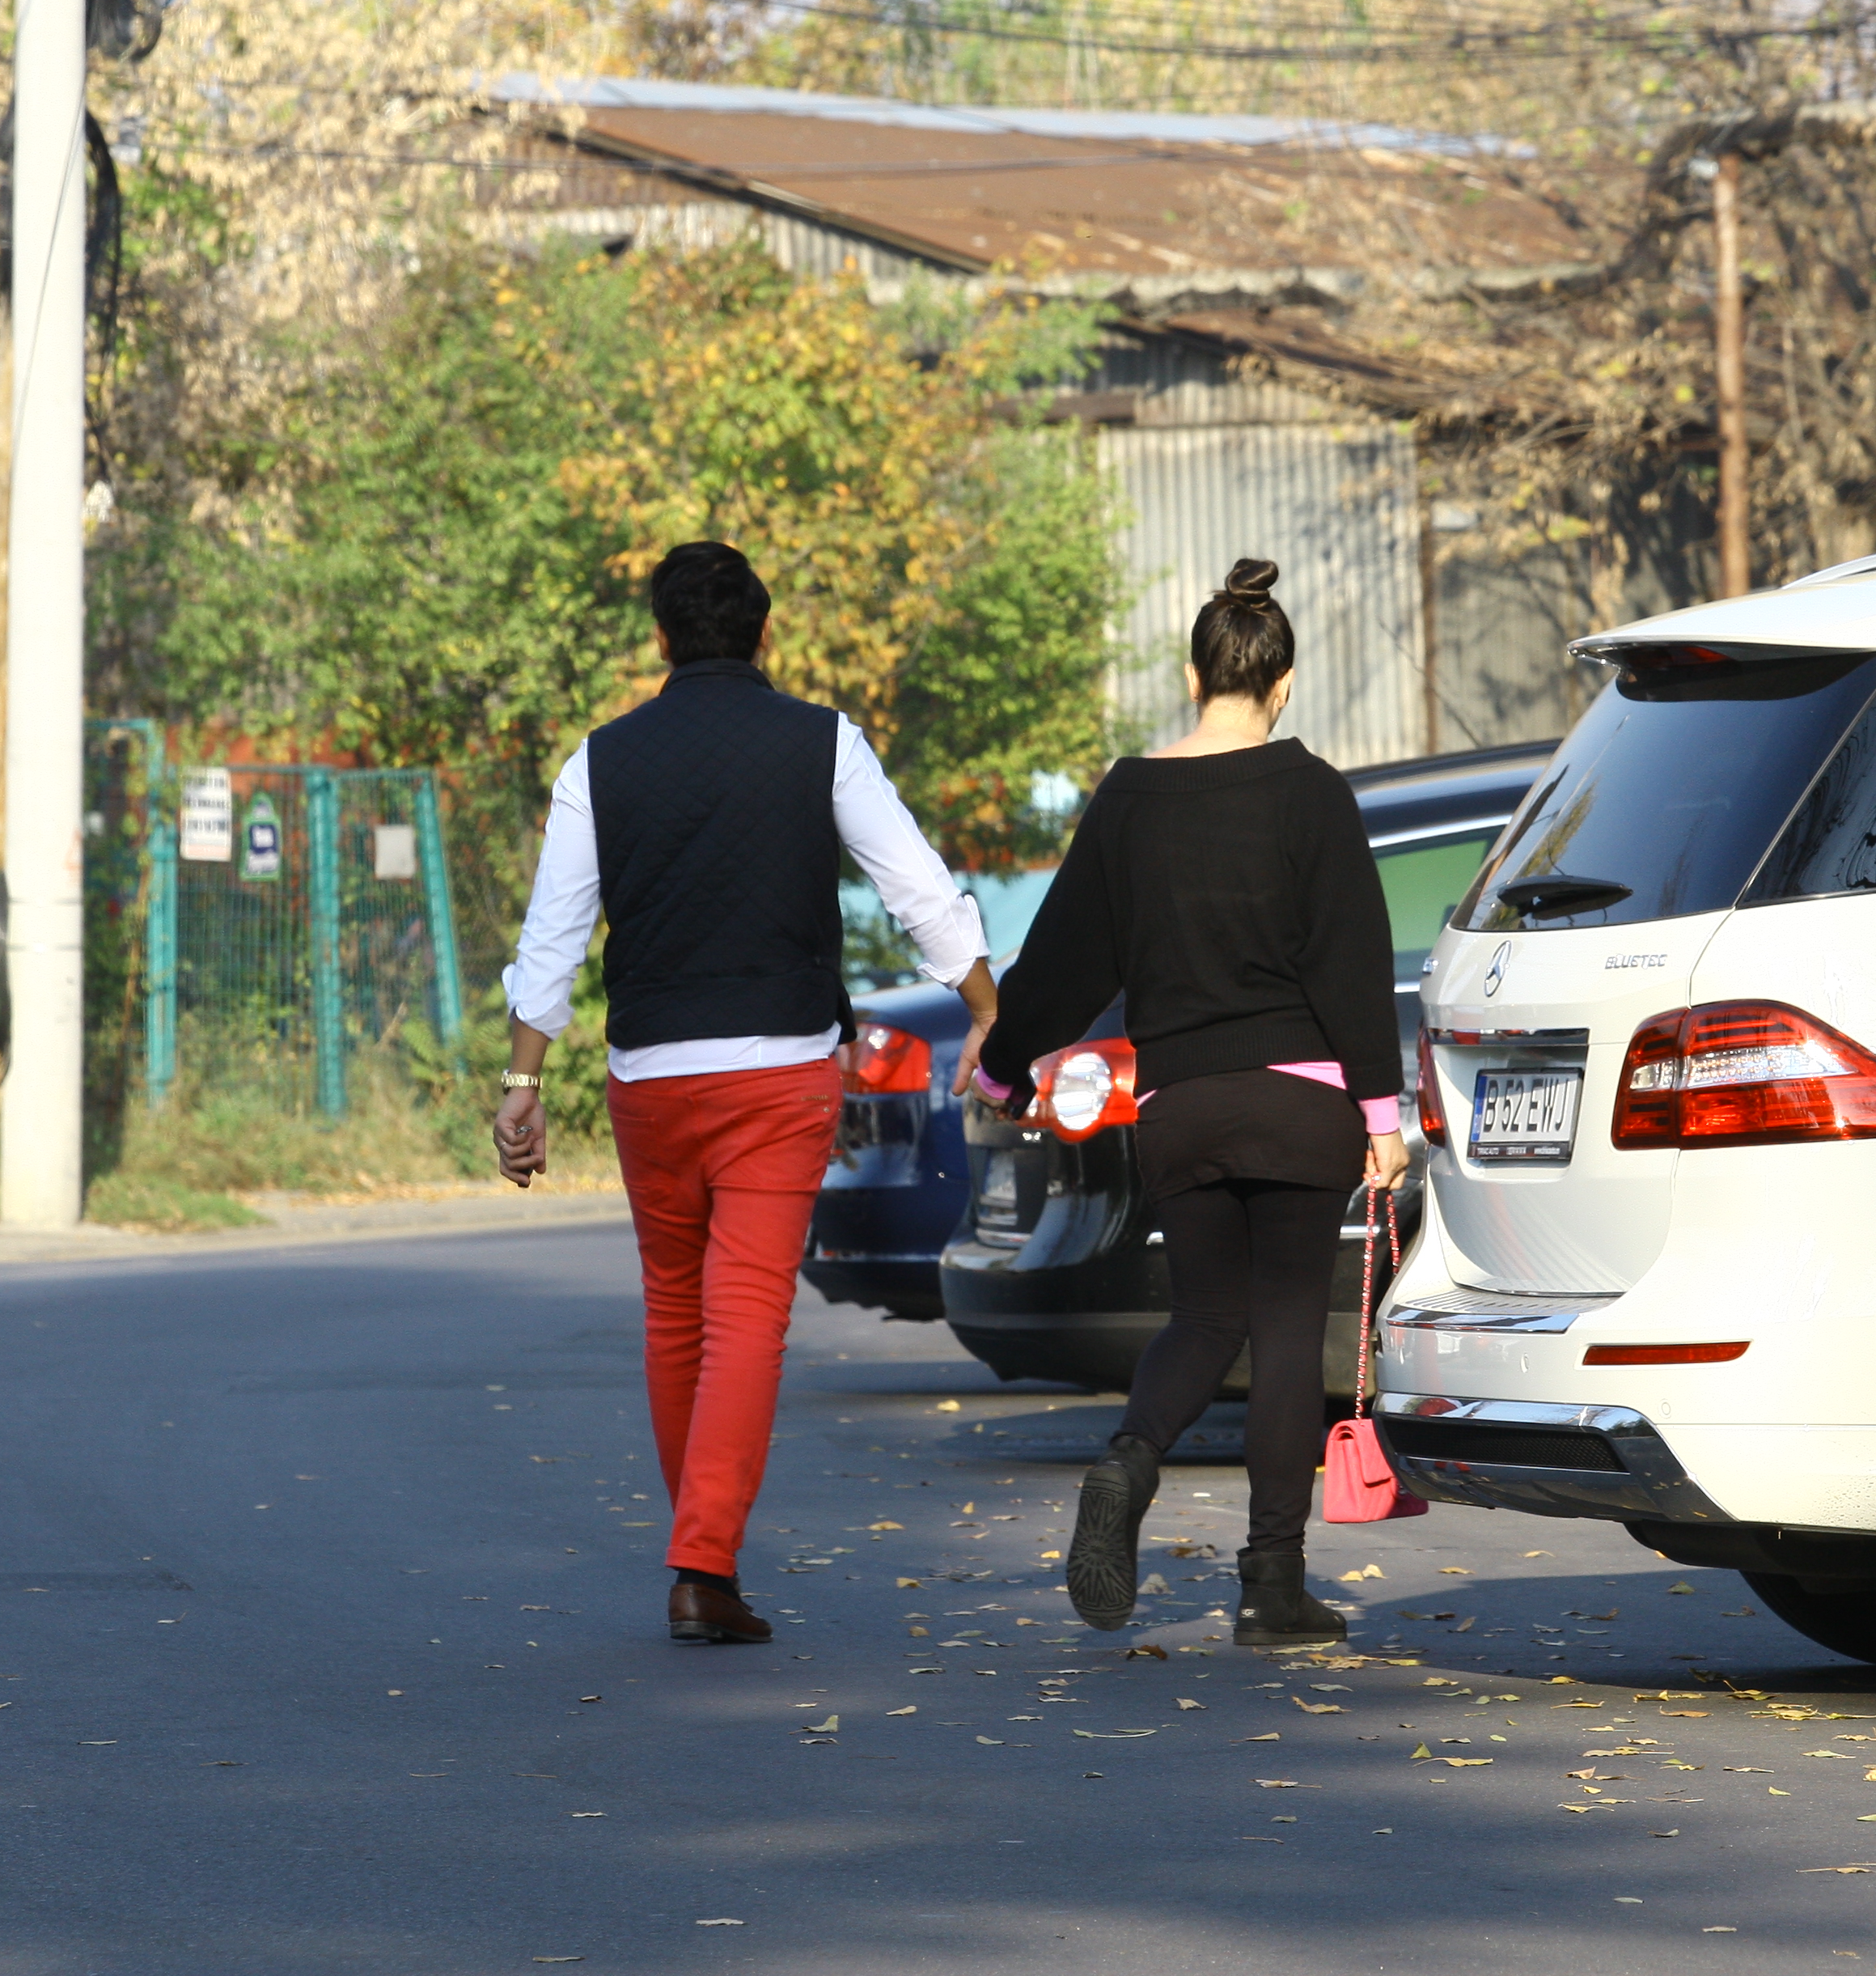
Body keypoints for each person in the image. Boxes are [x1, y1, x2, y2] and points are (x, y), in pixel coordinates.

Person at [493, 540, 997, 1647]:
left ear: (663, 640)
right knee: (746, 1319)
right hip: (778, 1072)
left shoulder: (600, 761)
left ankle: (700, 1554)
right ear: (763, 635)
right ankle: (702, 1562)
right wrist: (983, 999)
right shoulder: (822, 741)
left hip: (651, 1079)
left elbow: (553, 940)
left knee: (678, 1308)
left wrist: (522, 1081)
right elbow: (914, 883)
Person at [973, 557, 1408, 1648]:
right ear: (1285, 682)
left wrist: (998, 1064)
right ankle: (1271, 1587)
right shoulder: (1313, 791)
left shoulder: (1129, 798)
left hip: (1179, 1106)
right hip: (1302, 1104)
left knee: (1205, 1318)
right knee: (1283, 1330)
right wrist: (1384, 1117)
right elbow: (1351, 964)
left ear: (1191, 673)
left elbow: (1066, 957)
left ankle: (1128, 1460)